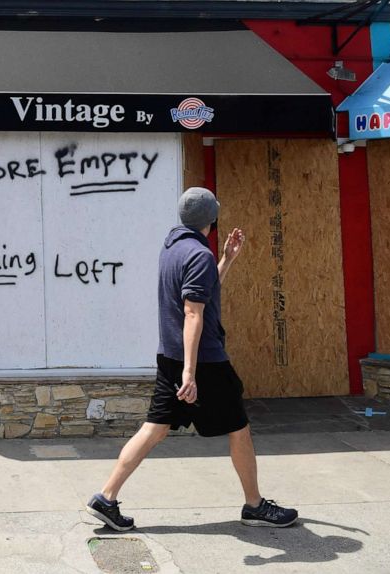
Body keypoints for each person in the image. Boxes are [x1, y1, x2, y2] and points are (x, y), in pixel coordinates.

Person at [86, 187, 297, 531]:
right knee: (239, 429)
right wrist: (190, 373)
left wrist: (226, 260)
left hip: (170, 356)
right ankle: (255, 506)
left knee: (153, 429)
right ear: (212, 219)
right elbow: (193, 313)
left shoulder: (173, 248)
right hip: (203, 362)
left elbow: (202, 291)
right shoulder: (198, 255)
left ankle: (106, 498)